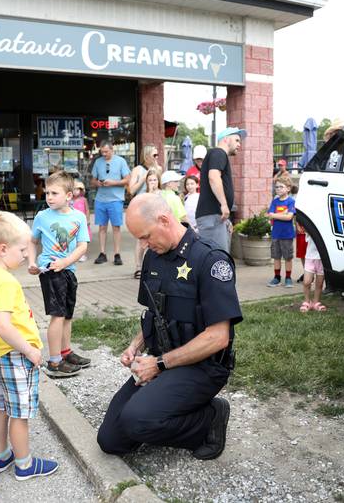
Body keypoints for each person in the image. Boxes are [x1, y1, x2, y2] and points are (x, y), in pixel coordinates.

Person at [97, 194, 242, 460]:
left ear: (164, 220)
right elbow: (155, 313)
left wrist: (159, 364)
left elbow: (218, 338)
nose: (142, 244)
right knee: (111, 440)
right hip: (163, 361)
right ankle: (157, 417)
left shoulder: (210, 260)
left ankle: (210, 417)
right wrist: (135, 346)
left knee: (136, 420)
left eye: (145, 236)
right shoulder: (154, 256)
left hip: (203, 368)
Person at [0, 211, 59, 481]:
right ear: (3, 248)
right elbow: (3, 325)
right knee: (19, 414)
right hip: (16, 355)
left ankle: (2, 456)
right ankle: (24, 464)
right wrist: (30, 350)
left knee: (1, 407)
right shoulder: (6, 282)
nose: (25, 254)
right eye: (22, 249)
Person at [28, 171, 91, 378]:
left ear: (69, 195)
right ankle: (54, 362)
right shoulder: (42, 216)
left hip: (68, 270)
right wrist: (31, 262)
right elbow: (32, 241)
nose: (49, 197)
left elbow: (82, 246)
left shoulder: (79, 217)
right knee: (57, 315)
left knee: (67, 315)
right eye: (47, 193)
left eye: (54, 193)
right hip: (51, 270)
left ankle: (66, 352)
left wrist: (66, 262)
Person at [195, 127, 245, 253]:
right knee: (217, 260)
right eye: (237, 140)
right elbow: (213, 177)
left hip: (215, 217)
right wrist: (223, 205)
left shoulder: (216, 154)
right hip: (212, 216)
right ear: (226, 139)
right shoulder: (218, 153)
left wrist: (226, 219)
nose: (239, 144)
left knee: (218, 260)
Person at [90, 140, 130, 266]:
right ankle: (102, 253)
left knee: (116, 227)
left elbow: (127, 179)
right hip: (100, 199)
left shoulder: (121, 161)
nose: (104, 154)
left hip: (116, 199)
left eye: (106, 152)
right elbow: (93, 180)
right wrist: (98, 183)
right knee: (102, 227)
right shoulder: (98, 162)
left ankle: (117, 254)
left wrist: (114, 183)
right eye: (102, 152)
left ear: (112, 150)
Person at [128, 145, 160, 275]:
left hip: (154, 205)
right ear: (146, 156)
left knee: (156, 236)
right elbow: (131, 190)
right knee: (141, 238)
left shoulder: (158, 169)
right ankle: (138, 267)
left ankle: (154, 265)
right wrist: (144, 177)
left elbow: (161, 185)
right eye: (154, 155)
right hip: (141, 206)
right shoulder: (138, 169)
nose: (157, 157)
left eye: (157, 155)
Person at [265, 179, 296, 288]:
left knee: (287, 257)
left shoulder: (291, 201)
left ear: (288, 188)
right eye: (276, 187)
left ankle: (288, 278)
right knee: (276, 257)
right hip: (276, 234)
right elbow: (269, 215)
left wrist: (275, 215)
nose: (278, 189)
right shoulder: (275, 201)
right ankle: (277, 277)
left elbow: (289, 217)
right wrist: (283, 213)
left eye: (281, 187)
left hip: (287, 234)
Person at [300, 230, 327, 312]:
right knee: (307, 282)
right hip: (310, 257)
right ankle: (307, 301)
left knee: (319, 284)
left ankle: (316, 302)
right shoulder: (311, 227)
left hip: (322, 258)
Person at [71, 180, 90, 262]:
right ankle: (74, 254)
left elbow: (87, 210)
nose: (76, 191)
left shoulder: (83, 199)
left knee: (82, 239)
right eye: (74, 189)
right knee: (72, 238)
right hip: (72, 223)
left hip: (82, 222)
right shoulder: (69, 200)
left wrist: (88, 219)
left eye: (78, 189)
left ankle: (82, 254)